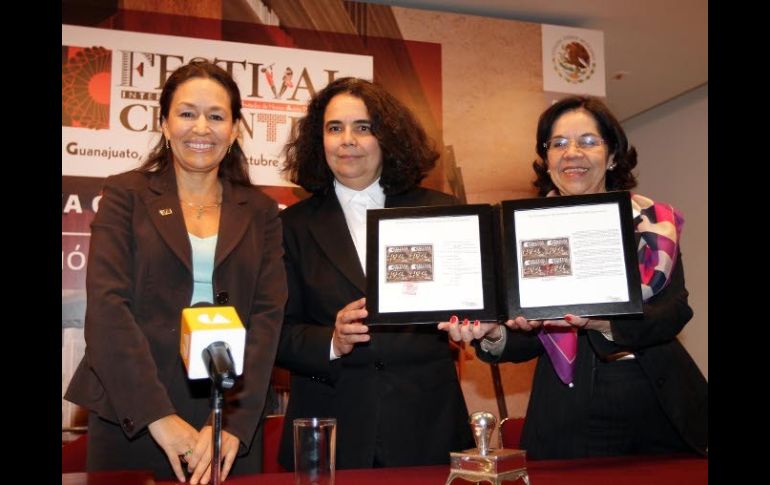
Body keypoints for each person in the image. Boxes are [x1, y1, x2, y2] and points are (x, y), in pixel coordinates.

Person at [440, 95, 707, 459]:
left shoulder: (652, 226)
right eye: (559, 144)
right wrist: (494, 333)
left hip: (661, 396)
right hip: (571, 404)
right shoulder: (524, 232)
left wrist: (605, 324)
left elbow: (674, 313)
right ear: (546, 159)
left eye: (588, 141)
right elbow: (529, 336)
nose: (572, 153)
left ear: (612, 155)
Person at [64, 60, 288, 483]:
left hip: (227, 418)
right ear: (165, 124)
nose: (201, 128)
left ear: (235, 129)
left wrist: (234, 423)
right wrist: (157, 415)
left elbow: (266, 320)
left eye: (216, 116)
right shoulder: (125, 193)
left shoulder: (260, 211)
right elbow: (108, 310)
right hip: (132, 410)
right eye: (187, 113)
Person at [275, 77, 474, 470]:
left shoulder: (440, 210)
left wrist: (474, 320)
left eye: (363, 127)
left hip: (427, 424)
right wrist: (331, 340)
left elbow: (473, 308)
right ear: (320, 141)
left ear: (388, 138)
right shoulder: (289, 226)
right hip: (331, 423)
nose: (347, 139)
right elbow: (275, 333)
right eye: (335, 128)